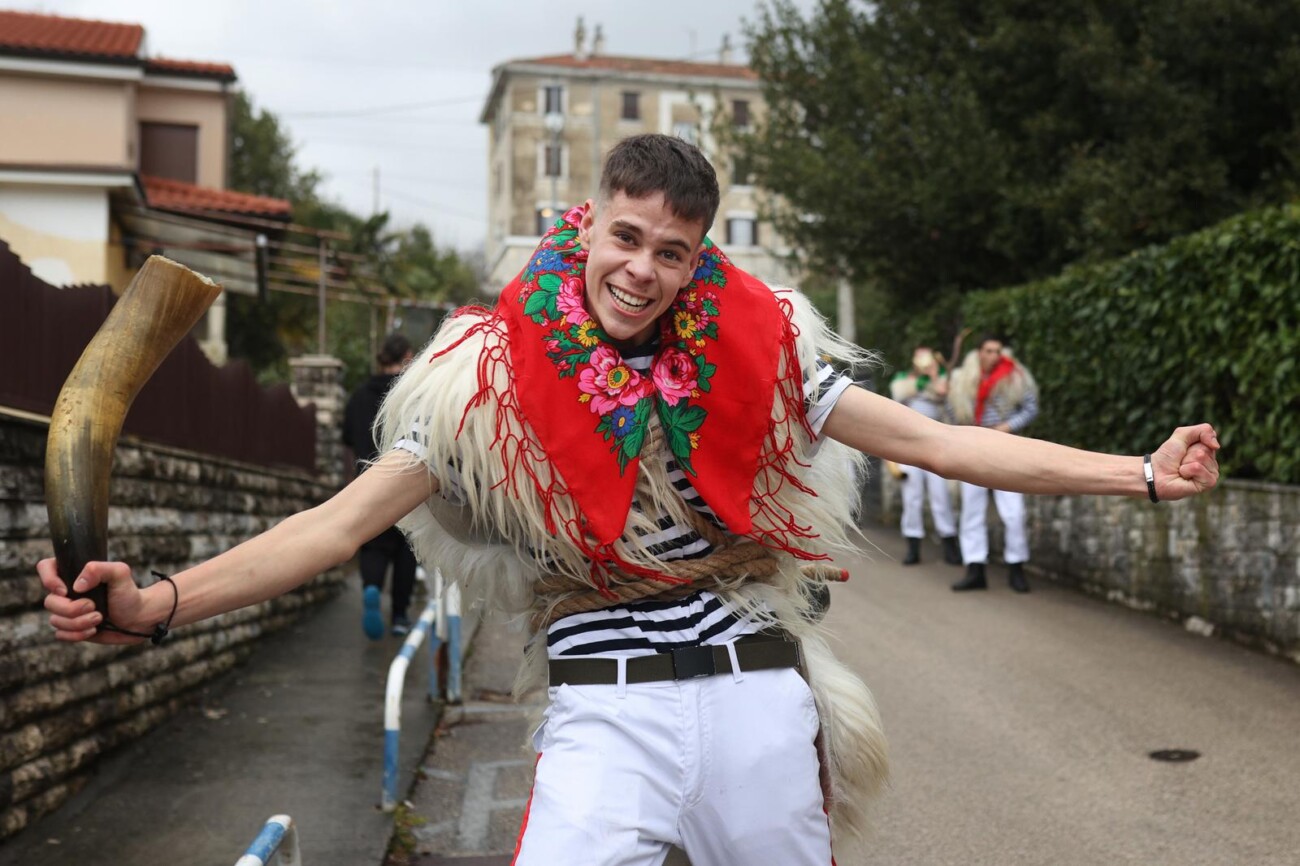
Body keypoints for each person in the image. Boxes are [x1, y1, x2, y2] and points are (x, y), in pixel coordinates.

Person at [38, 134, 1220, 865]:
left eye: (671, 251)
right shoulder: (482, 381)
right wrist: (158, 602)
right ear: (587, 223)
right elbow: (338, 523)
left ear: (698, 259)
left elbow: (940, 441)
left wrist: (1137, 471)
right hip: (605, 708)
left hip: (756, 690)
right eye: (627, 236)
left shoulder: (766, 349)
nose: (641, 270)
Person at [946, 334, 1040, 593]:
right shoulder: (964, 380)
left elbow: (1030, 408)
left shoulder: (1014, 377)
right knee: (971, 511)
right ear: (979, 352)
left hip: (1006, 448)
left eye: (997, 351)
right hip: (974, 447)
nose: (994, 356)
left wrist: (1006, 427)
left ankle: (1016, 568)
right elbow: (954, 413)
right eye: (989, 350)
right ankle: (975, 569)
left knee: (1014, 512)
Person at [342, 333, 419, 637]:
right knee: (405, 550)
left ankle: (372, 586)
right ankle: (399, 616)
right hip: (406, 481)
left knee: (373, 542)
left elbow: (348, 438)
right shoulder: (411, 393)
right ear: (407, 358)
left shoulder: (360, 395)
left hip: (367, 479)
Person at [888, 346, 961, 566]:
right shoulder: (905, 383)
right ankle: (913, 547)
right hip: (910, 448)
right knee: (912, 498)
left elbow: (956, 418)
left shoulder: (944, 384)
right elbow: (895, 407)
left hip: (937, 447)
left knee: (941, 497)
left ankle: (949, 544)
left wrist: (943, 391)